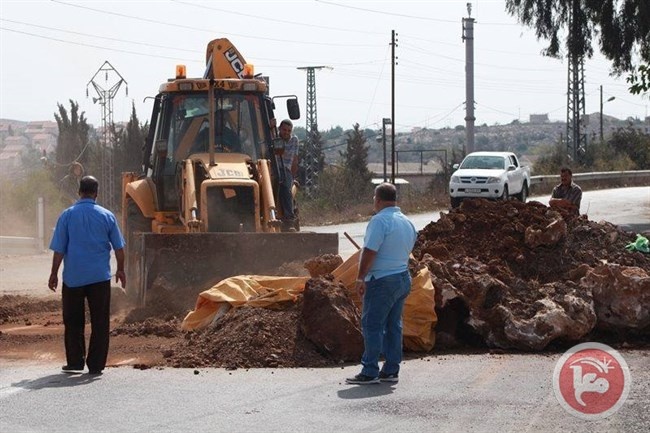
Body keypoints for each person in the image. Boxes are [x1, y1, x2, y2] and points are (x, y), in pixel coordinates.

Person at [48, 175, 126, 375]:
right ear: (96, 193)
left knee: (73, 321)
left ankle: (75, 361)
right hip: (99, 278)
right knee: (100, 321)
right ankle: (96, 364)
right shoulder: (107, 216)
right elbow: (119, 248)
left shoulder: (66, 215)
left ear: (79, 191)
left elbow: (59, 249)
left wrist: (53, 274)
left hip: (73, 278)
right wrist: (121, 270)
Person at [346, 183, 418, 385]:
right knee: (394, 325)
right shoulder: (407, 222)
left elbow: (370, 251)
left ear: (377, 199)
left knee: (372, 325)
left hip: (382, 281)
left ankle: (370, 371)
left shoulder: (379, 221)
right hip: (402, 278)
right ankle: (391, 369)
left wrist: (361, 277)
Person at [277, 119, 299, 231]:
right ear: (279, 129)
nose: (286, 132)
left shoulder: (294, 140)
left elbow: (295, 159)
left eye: (288, 131)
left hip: (286, 169)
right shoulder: (274, 138)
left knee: (285, 187)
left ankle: (289, 219)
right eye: (284, 130)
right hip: (273, 168)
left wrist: (293, 177)